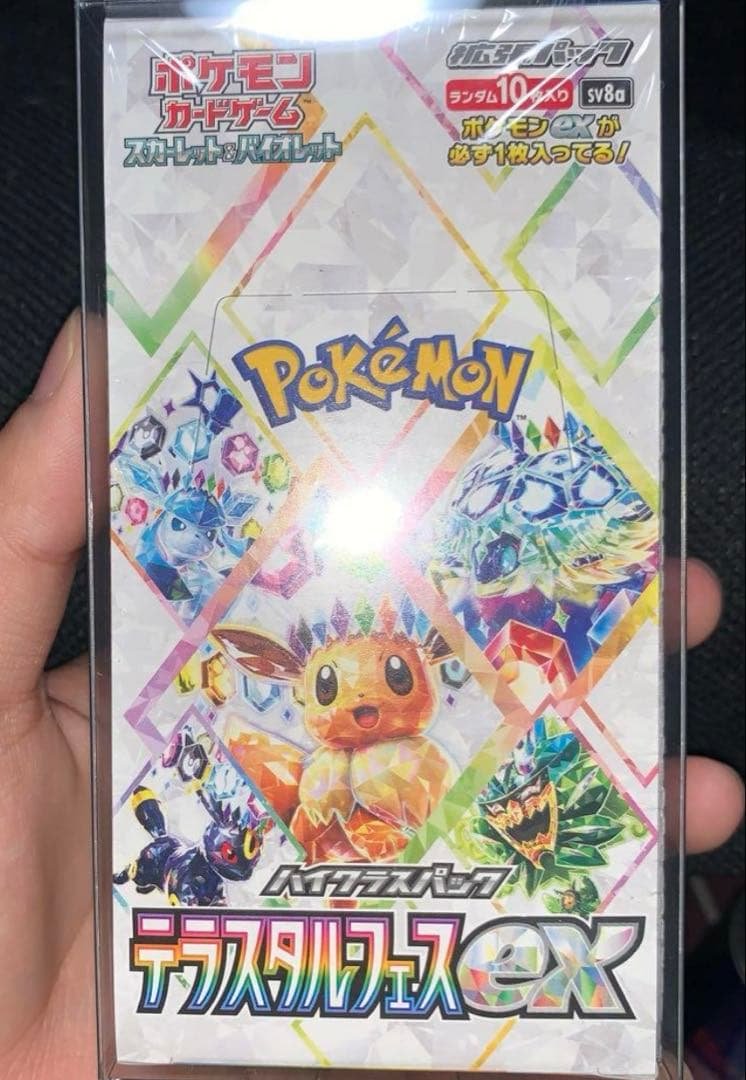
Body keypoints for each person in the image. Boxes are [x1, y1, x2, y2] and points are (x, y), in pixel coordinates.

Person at [0, 313, 743, 1079]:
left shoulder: (429, 746)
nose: (359, 703)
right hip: (239, 952)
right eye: (331, 686)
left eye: (390, 677)